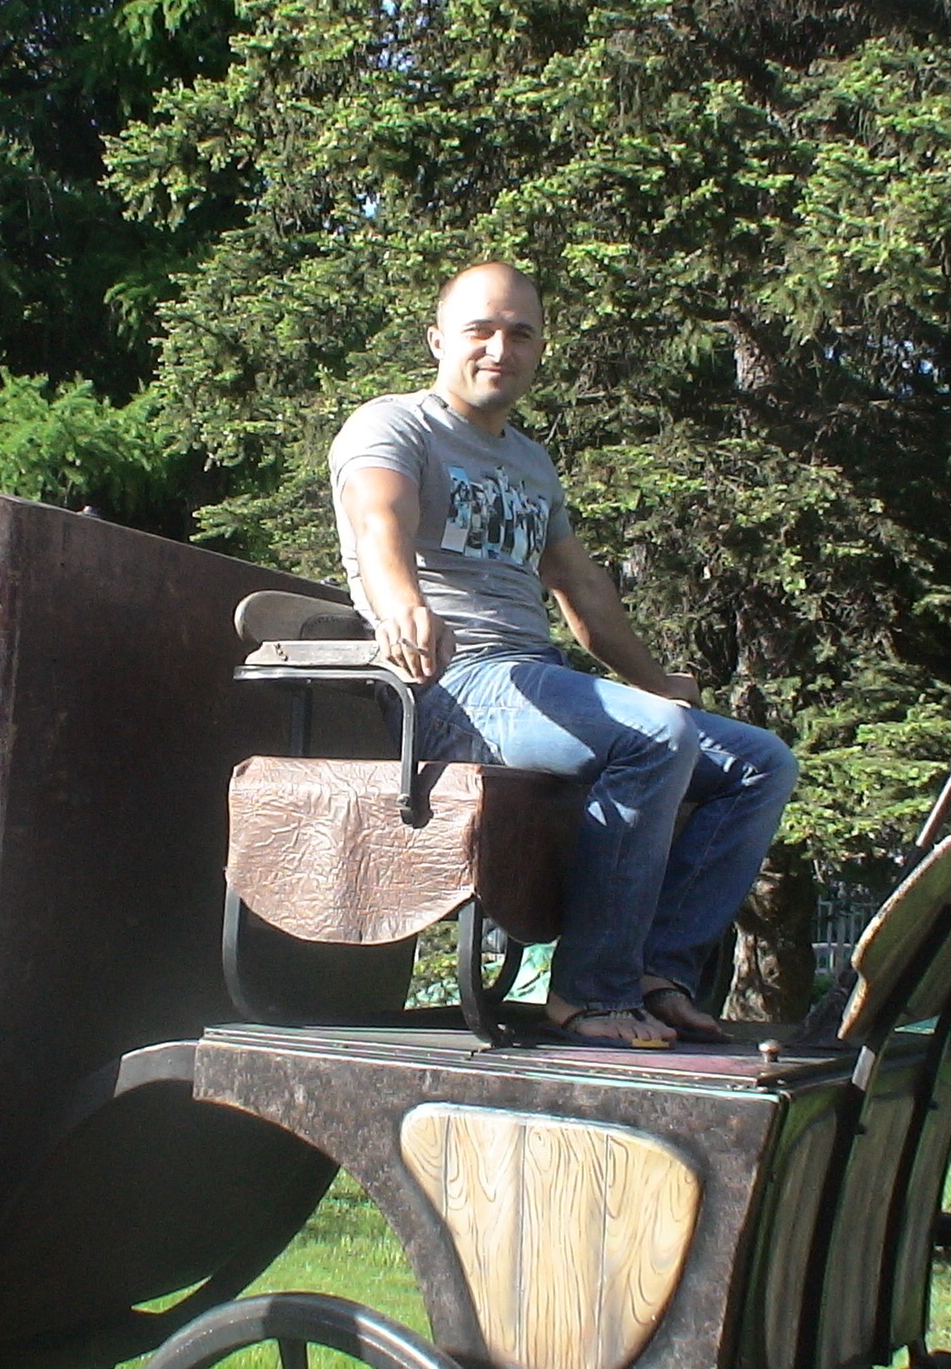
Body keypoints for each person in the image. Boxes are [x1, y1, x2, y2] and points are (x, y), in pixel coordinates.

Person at [329, 262, 797, 1046]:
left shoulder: (531, 462)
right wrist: (403, 606)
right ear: (439, 340)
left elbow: (579, 586)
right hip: (451, 684)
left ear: (539, 349)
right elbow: (380, 522)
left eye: (520, 334)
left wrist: (656, 681)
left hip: (536, 680)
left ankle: (659, 973)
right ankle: (590, 992)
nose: (499, 349)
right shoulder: (394, 427)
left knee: (759, 763)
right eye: (480, 330)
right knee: (653, 737)